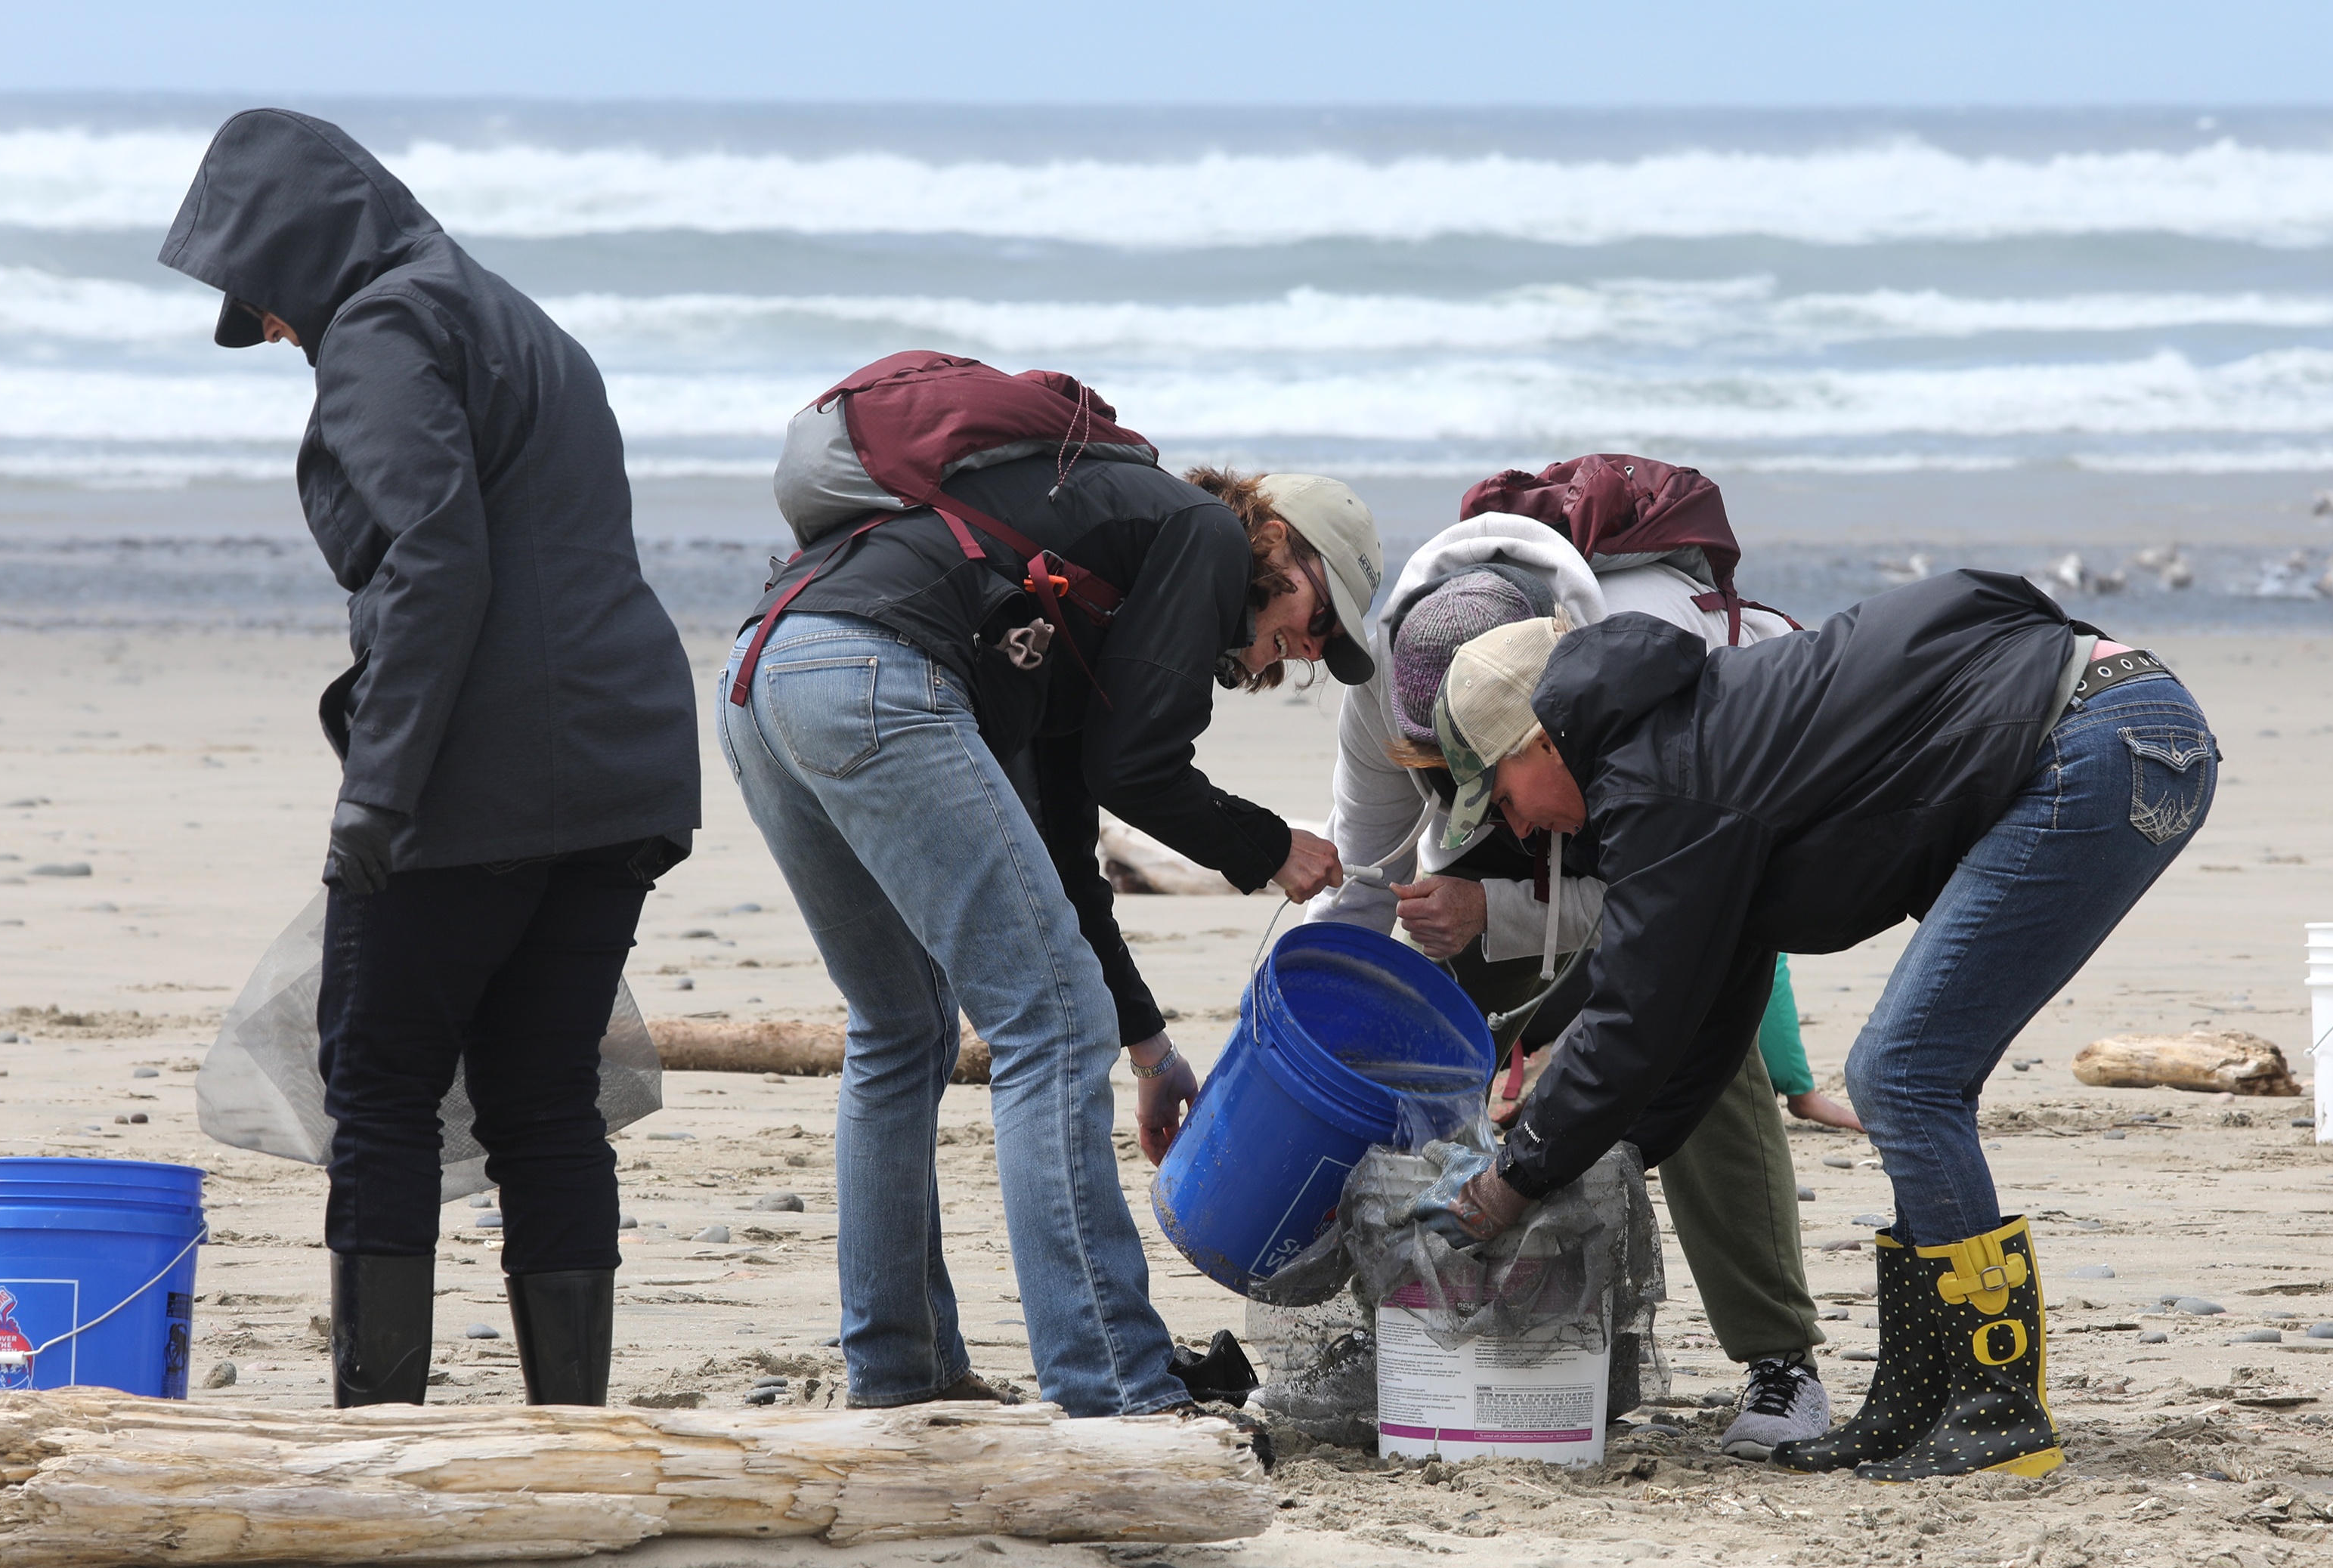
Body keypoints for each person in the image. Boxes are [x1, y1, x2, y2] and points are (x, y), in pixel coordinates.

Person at [1425, 577, 2214, 1480]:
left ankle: (1997, 1408)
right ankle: (1918, 1397)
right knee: (1911, 1074)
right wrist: (1615, 1153)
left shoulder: (1658, 777)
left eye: (1504, 795)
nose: (1519, 825)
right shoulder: (1677, 742)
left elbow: (1632, 1016)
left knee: (1903, 1076)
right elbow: (1703, 1014)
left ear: (1538, 741)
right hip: (2117, 718)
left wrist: (1514, 1179)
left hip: (2098, 741)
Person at [159, 110, 701, 1409]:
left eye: (262, 299)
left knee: (383, 1085)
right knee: (543, 1096)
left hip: (479, 775)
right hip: (626, 767)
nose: (272, 329)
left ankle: (379, 1433)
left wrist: (381, 794)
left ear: (297, 250)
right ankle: (569, 1432)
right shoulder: (512, 317)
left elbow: (435, 563)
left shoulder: (384, 328)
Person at [716, 441, 1384, 1416]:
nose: (1314, 648)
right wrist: (1270, 844)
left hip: (764, 675)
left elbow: (1066, 856)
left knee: (901, 1030)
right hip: (874, 674)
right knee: (1053, 1027)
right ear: (1275, 542)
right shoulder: (1203, 537)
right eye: (1318, 617)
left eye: (1331, 647)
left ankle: (903, 1378)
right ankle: (1115, 1383)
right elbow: (1139, 770)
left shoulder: (1093, 604)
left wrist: (1153, 1052)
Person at [1308, 459, 1843, 1458]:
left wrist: (1495, 910)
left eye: (1479, 769)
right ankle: (1414, 1318)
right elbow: (1366, 882)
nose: (1462, 795)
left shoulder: (1636, 652)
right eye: (1436, 773)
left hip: (1667, 875)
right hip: (1495, 903)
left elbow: (1679, 897)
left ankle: (1780, 1360)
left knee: (1705, 1052)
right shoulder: (1386, 678)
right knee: (1418, 1053)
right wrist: (1321, 1018)